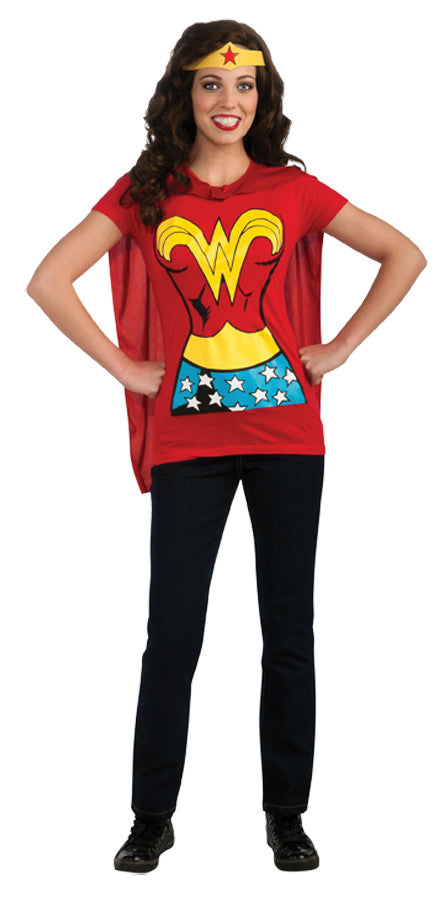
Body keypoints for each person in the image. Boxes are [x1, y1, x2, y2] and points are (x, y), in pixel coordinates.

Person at [26, 19, 427, 874]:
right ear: (186, 91)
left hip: (288, 438)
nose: (229, 100)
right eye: (212, 82)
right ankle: (151, 817)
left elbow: (404, 253)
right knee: (172, 631)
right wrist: (126, 368)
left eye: (244, 85)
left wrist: (342, 346)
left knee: (289, 630)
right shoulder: (146, 192)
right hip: (188, 444)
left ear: (262, 97)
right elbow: (48, 280)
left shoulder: (294, 191)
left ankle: (287, 815)